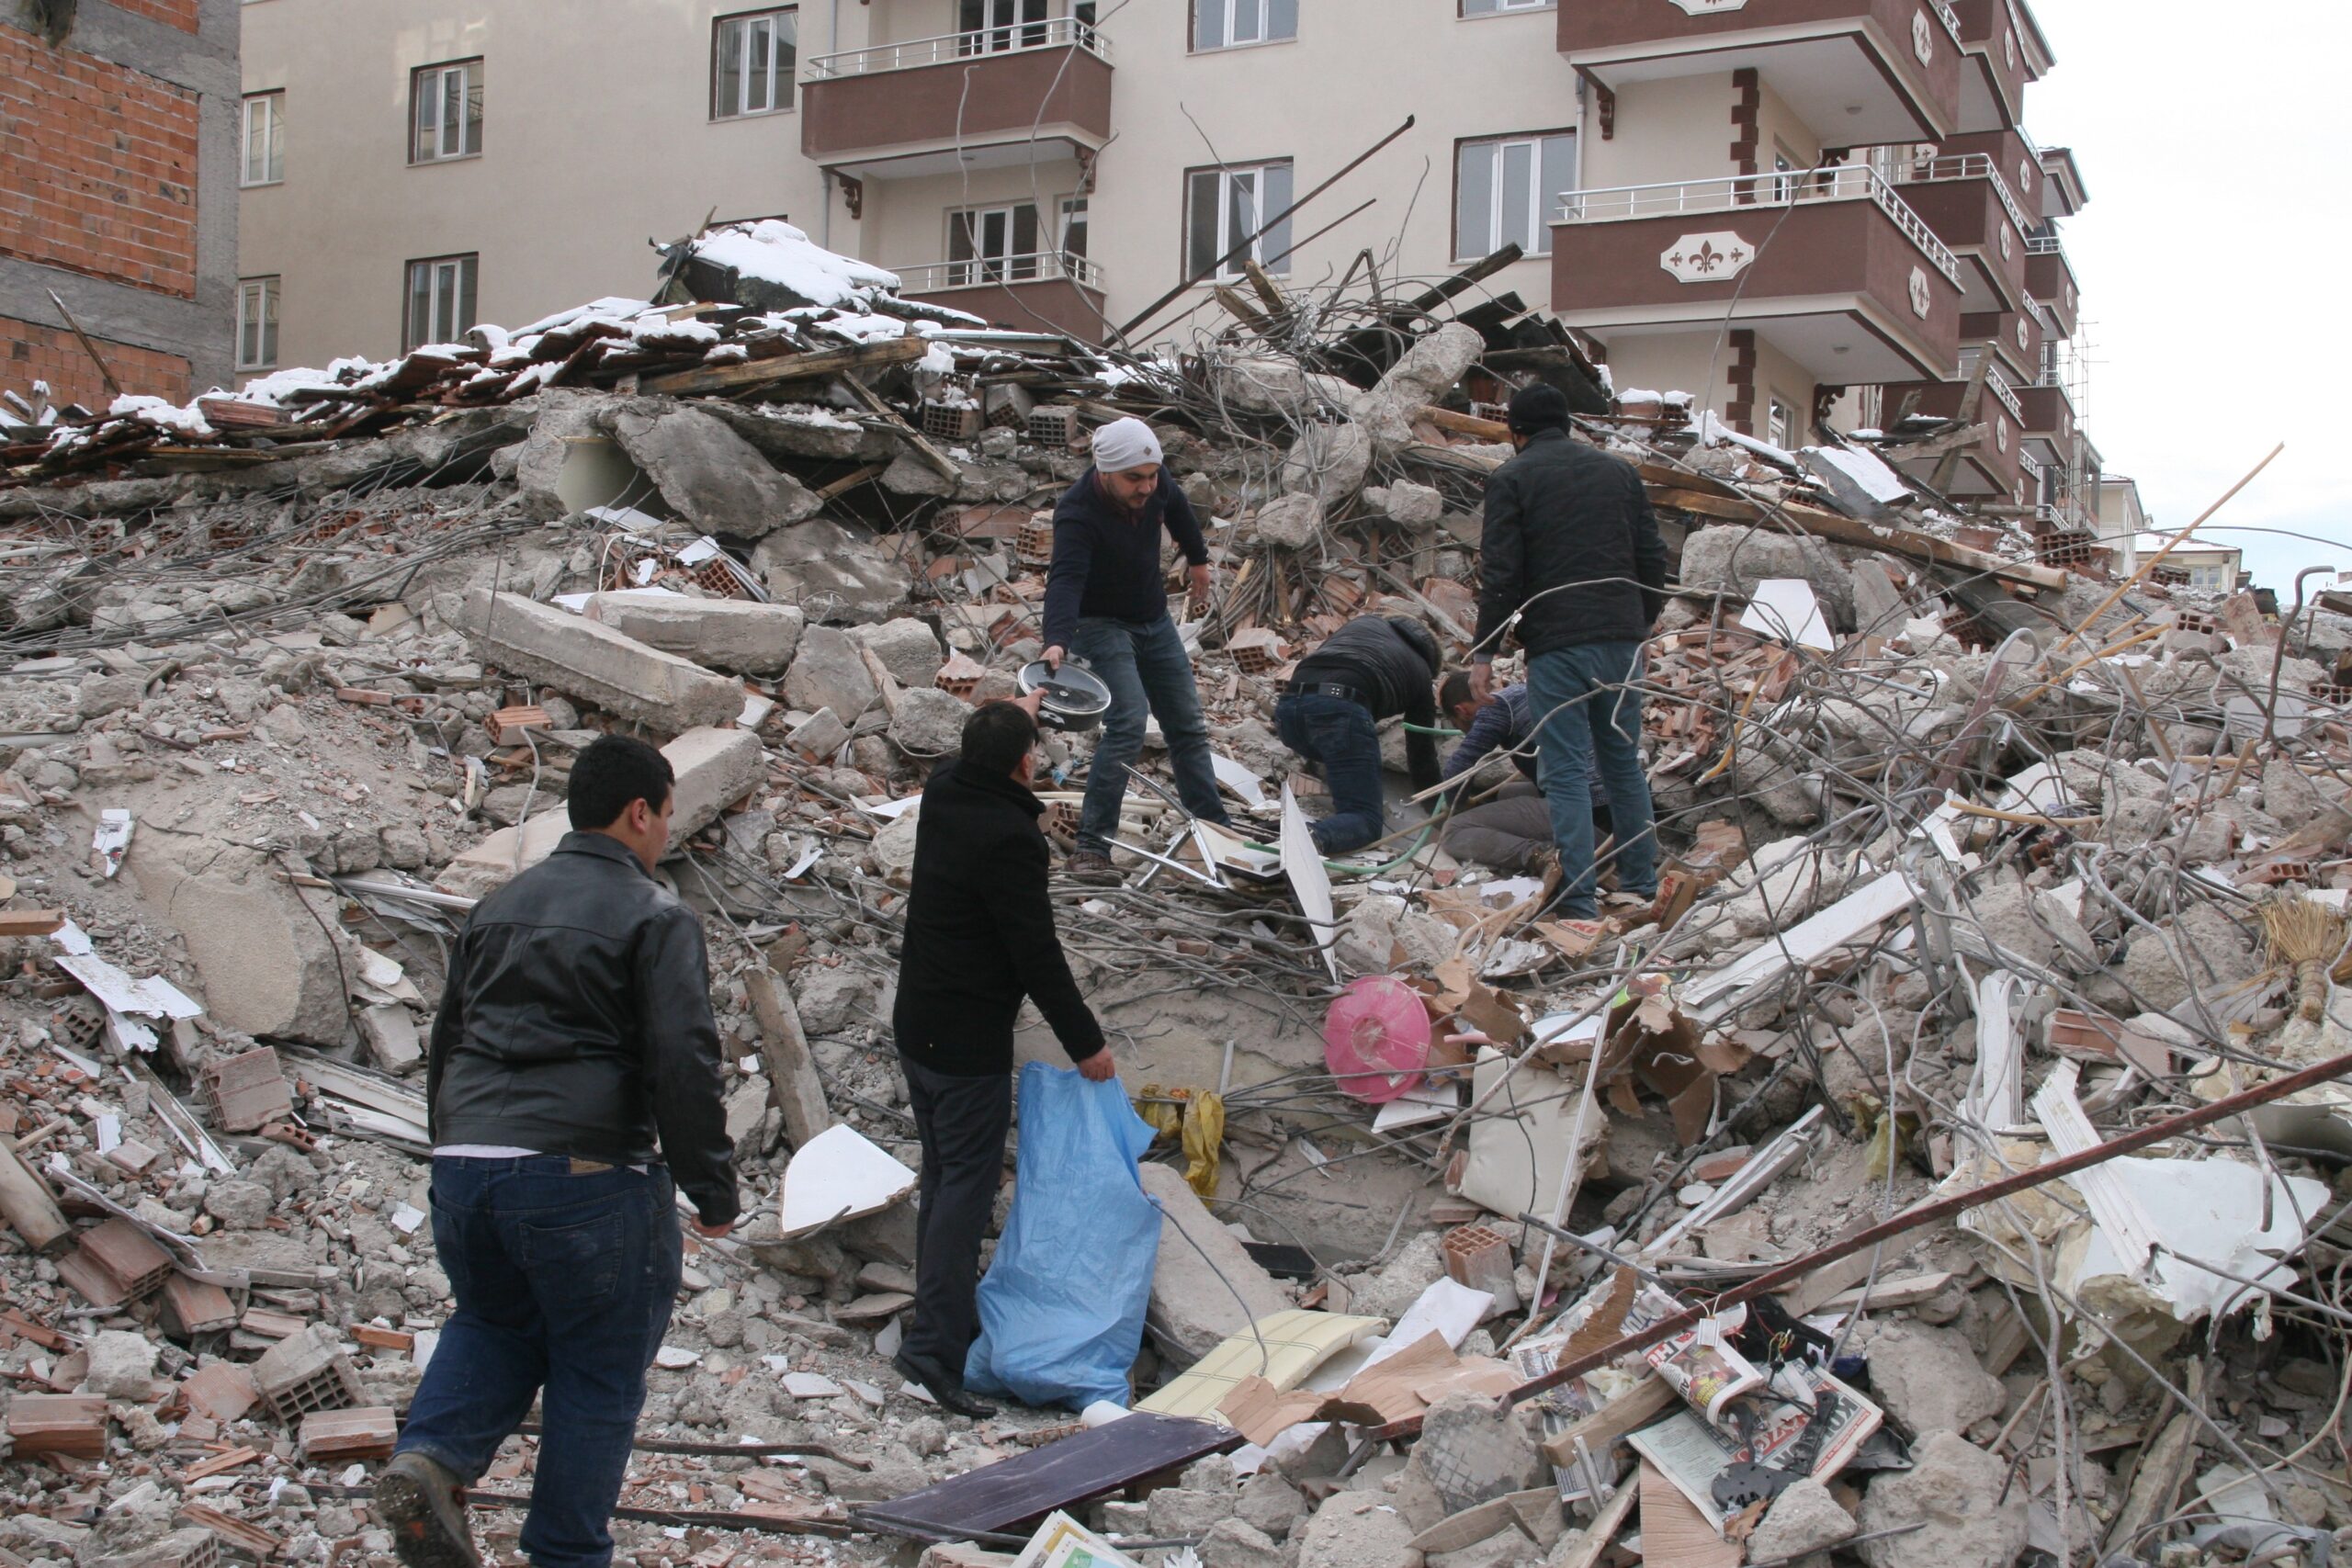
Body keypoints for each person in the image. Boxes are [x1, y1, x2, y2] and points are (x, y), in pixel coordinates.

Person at [378, 735, 739, 1568]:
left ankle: (429, 1458)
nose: (664, 837)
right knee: (599, 1369)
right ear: (639, 811)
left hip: (466, 1165)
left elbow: (449, 1040)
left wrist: (454, 1156)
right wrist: (711, 1187)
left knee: (496, 1319)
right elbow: (683, 1061)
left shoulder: (496, 907)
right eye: (666, 817)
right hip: (584, 1174)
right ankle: (567, 1554)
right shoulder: (655, 915)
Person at [891, 696, 1114, 1417]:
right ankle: (934, 1354)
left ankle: (931, 1331)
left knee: (942, 1177)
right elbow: (1036, 955)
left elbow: (977, 760)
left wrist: (1012, 717)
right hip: (964, 1044)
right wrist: (1087, 1043)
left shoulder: (944, 790)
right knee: (964, 1191)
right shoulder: (1011, 840)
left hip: (918, 1020)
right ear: (1025, 761)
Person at [1470, 381, 1668, 919]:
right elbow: (1653, 559)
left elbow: (1503, 576)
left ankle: (1579, 902)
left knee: (1565, 773)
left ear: (1515, 432)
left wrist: (1484, 654)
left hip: (1559, 647)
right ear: (1569, 424)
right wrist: (1639, 626)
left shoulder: (1511, 478)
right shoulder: (1620, 473)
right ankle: (1641, 886)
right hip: (1621, 642)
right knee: (1621, 761)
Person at [1040, 415, 1232, 882]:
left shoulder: (1155, 479)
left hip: (1152, 617)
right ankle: (1092, 847)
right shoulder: (1077, 512)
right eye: (1134, 479)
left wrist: (1199, 560)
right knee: (1127, 723)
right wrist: (1057, 640)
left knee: (1186, 724)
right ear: (1104, 470)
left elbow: (1180, 508)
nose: (1147, 487)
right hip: (1098, 622)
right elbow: (1065, 580)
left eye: (1151, 476)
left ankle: (1212, 827)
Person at [1274, 615, 1443, 854]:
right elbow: (1421, 753)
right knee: (1365, 819)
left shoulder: (1365, 624)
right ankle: (1309, 840)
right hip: (1338, 712)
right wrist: (1439, 811)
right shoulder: (1422, 672)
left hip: (1287, 712)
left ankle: (1331, 797)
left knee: (1335, 747)